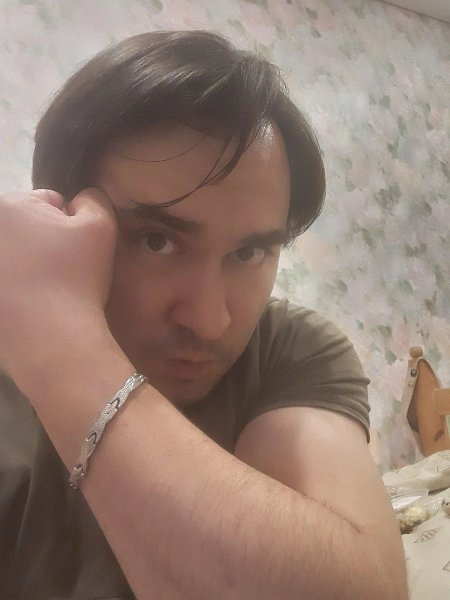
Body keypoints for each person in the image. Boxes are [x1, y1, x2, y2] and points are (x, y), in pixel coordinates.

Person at [0, 30, 407, 599]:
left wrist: (69, 355)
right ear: (63, 218)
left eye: (249, 253)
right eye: (156, 241)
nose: (211, 321)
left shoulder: (289, 348)